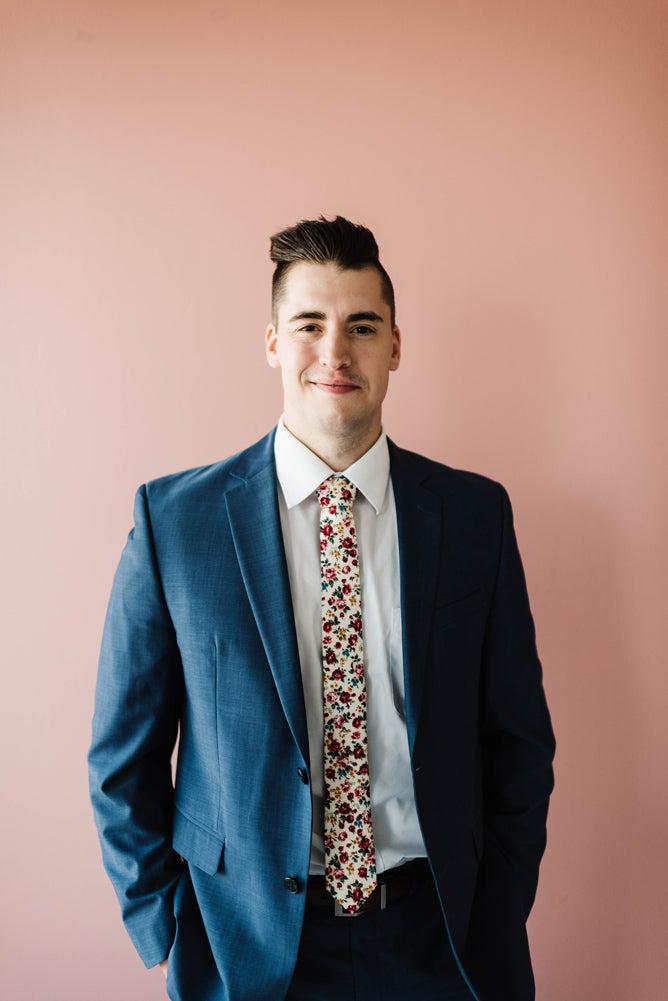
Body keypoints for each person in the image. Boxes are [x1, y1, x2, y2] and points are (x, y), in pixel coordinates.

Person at [88, 215, 555, 1001]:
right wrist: (164, 928)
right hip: (245, 949)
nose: (335, 352)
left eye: (361, 327)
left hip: (443, 943)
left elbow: (519, 740)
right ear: (273, 341)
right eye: (309, 324)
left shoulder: (475, 516)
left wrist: (499, 909)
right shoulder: (175, 523)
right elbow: (121, 760)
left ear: (395, 346)